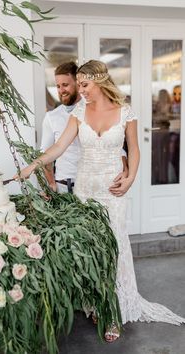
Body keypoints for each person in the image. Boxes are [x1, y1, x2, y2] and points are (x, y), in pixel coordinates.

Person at [14, 60, 185, 342]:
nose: (80, 91)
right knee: (93, 249)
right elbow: (59, 146)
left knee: (114, 249)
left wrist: (130, 179)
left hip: (113, 192)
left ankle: (113, 311)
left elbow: (135, 150)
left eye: (85, 84)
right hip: (85, 191)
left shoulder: (125, 112)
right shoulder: (80, 112)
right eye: (78, 84)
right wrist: (34, 165)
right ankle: (97, 304)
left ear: (101, 81)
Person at [41, 61, 128, 194]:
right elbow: (46, 153)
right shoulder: (51, 117)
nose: (61, 90)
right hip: (66, 186)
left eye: (65, 85)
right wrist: (51, 183)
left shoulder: (95, 109)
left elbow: (115, 146)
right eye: (58, 86)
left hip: (97, 183)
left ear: (78, 83)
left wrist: (125, 169)